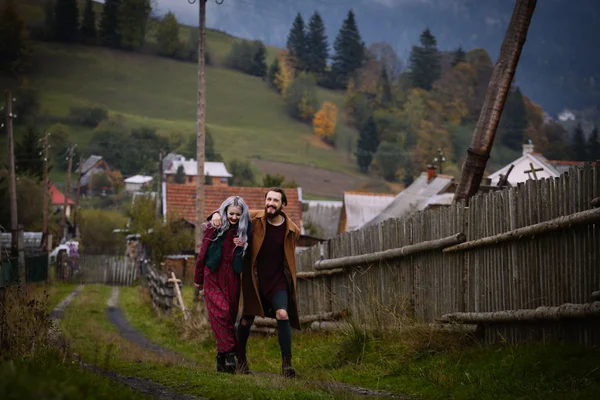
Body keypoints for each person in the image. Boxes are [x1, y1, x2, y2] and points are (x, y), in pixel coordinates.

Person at [209, 187, 301, 378]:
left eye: (276, 201)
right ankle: (241, 361)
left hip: (277, 281)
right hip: (254, 280)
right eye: (268, 199)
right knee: (245, 321)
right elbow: (231, 211)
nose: (271, 204)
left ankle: (287, 365)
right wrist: (216, 213)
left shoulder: (292, 230)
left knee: (283, 314)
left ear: (283, 204)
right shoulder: (253, 217)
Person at [194, 196, 252, 374]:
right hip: (213, 277)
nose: (234, 217)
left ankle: (221, 360)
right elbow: (202, 253)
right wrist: (198, 279)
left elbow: (258, 215)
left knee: (229, 318)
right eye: (231, 213)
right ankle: (230, 355)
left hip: (232, 280)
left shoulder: (244, 231)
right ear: (225, 211)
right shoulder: (215, 226)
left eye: (237, 214)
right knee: (223, 312)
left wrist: (243, 246)